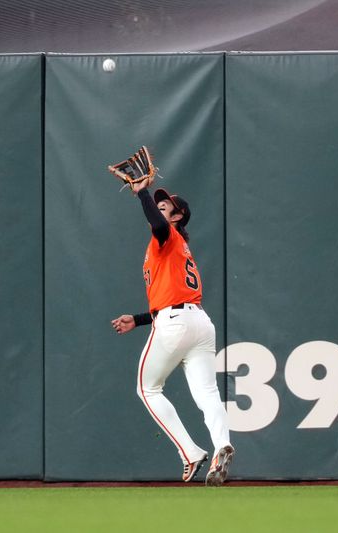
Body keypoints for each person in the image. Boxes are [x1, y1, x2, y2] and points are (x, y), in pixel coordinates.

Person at [111, 178, 234, 486]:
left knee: (147, 388)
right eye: (161, 200)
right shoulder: (177, 247)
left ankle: (191, 452)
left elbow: (157, 223)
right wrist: (138, 320)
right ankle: (222, 445)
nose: (162, 202)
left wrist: (142, 193)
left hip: (176, 322)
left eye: (168, 203)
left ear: (177, 216)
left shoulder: (167, 235)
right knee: (208, 394)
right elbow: (169, 296)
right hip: (199, 324)